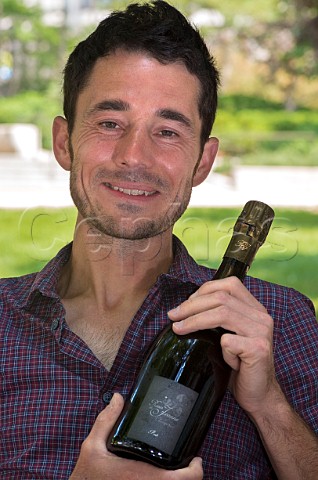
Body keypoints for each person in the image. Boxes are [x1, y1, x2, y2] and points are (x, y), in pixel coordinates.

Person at [1, 1, 317, 478]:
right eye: (110, 124)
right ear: (64, 142)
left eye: (167, 131)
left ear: (202, 162)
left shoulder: (279, 323)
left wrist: (269, 404)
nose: (134, 156)